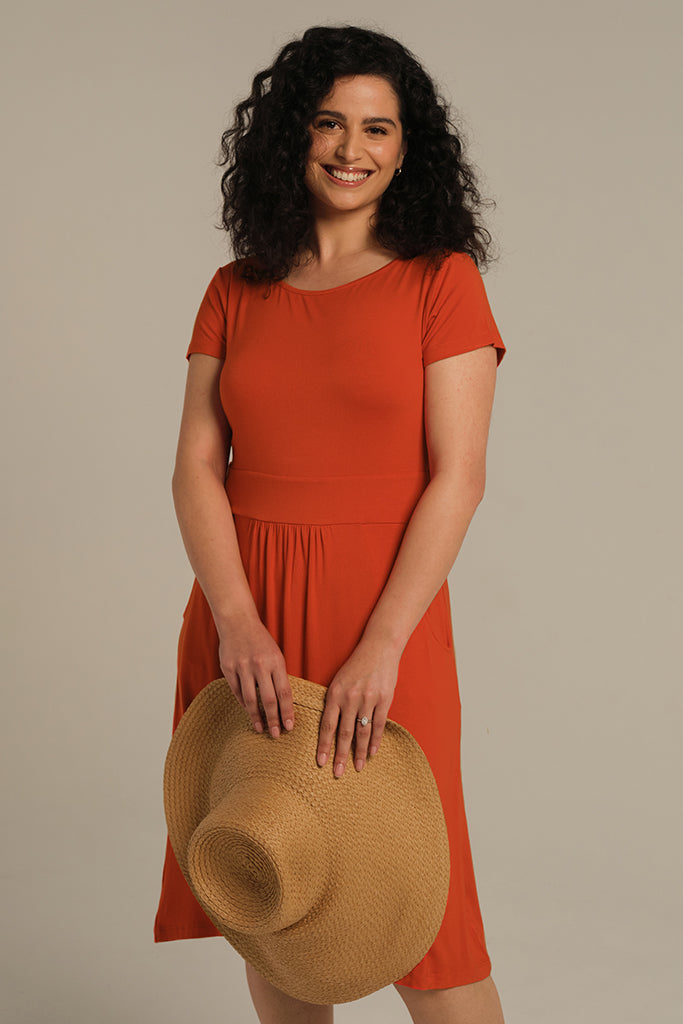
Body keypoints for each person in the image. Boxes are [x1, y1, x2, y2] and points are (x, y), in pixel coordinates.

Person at [154, 23, 507, 1024]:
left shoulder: (440, 281)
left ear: (407, 148)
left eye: (378, 129)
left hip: (378, 618)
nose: (351, 148)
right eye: (329, 123)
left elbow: (457, 477)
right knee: (280, 898)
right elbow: (194, 466)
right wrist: (234, 616)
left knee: (427, 927)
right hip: (243, 611)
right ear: (290, 136)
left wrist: (383, 641)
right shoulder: (233, 291)